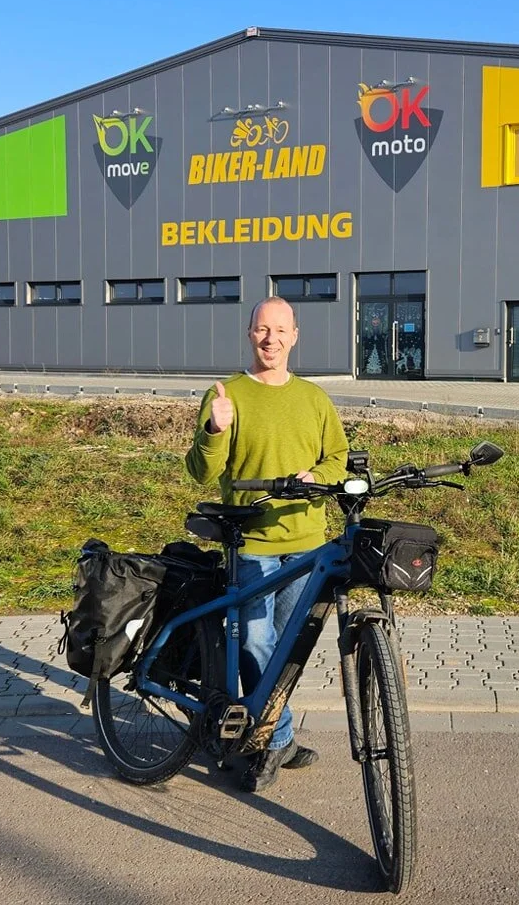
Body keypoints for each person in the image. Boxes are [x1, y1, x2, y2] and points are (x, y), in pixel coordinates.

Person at [185, 296, 349, 792]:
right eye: (262, 329)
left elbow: (337, 456)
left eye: (280, 330)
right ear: (249, 333)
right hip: (250, 543)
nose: (270, 339)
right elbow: (201, 472)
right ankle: (277, 739)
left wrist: (317, 475)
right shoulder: (227, 395)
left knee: (283, 652)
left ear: (295, 336)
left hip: (306, 545)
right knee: (257, 643)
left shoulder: (314, 399)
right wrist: (215, 429)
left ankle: (270, 736)